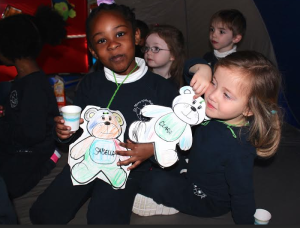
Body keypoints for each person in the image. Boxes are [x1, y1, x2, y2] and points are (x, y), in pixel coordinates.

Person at [29, 3, 178, 224]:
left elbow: (177, 136)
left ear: (136, 36)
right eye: (101, 40)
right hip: (86, 160)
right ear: (92, 50)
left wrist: (152, 149)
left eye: (120, 34)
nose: (112, 45)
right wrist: (63, 132)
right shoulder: (90, 83)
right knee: (41, 215)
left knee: (103, 220)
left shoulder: (161, 89)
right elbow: (77, 130)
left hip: (125, 168)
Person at [132, 51, 282, 224]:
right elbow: (189, 68)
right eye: (213, 83)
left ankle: (169, 205)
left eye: (226, 95)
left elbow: (242, 193)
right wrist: (204, 70)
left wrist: (246, 222)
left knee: (153, 181)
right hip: (193, 167)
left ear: (249, 109)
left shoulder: (239, 148)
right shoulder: (217, 108)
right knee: (155, 155)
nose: (212, 95)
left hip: (206, 198)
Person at [0, 6, 66, 199]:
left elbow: (32, 134)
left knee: (7, 188)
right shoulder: (23, 80)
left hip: (32, 149)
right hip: (18, 140)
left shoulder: (33, 87)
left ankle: (50, 160)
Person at [142, 24, 186, 89]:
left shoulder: (181, 83)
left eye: (156, 48)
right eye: (147, 48)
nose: (148, 52)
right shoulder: (142, 79)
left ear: (173, 55)